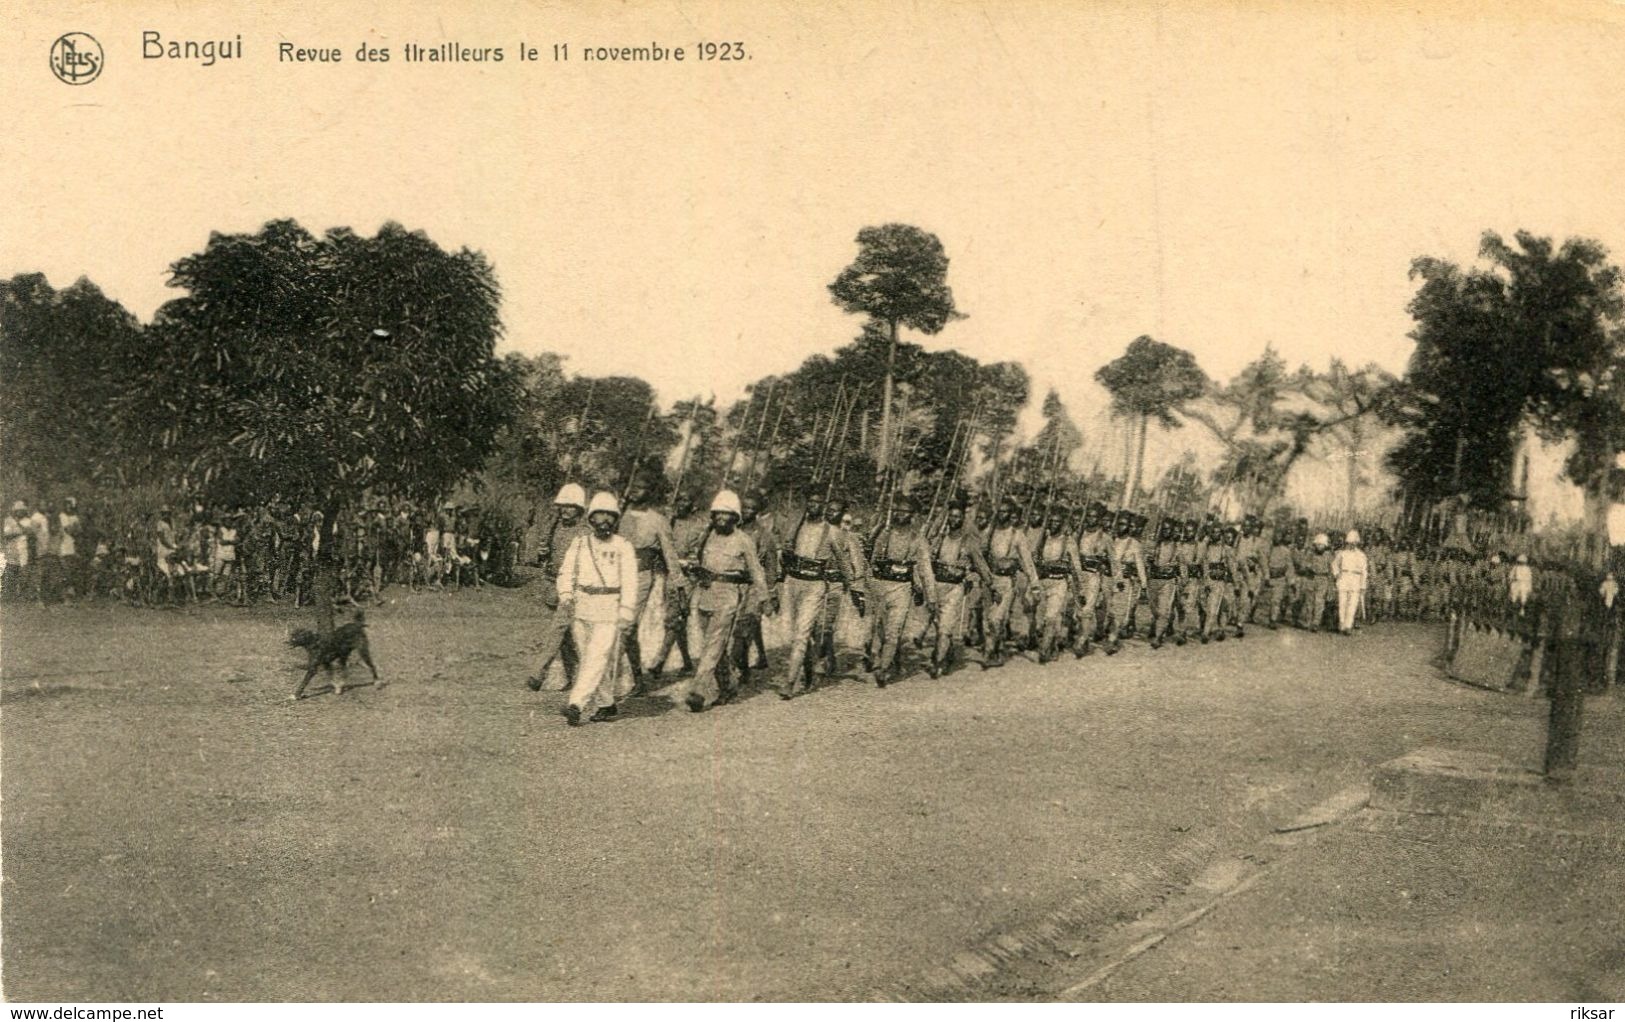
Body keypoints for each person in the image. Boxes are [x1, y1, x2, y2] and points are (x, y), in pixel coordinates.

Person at [677, 490, 770, 712]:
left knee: (714, 643)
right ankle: (728, 686)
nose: (721, 518)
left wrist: (764, 597)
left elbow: (756, 571)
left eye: (726, 514)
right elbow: (696, 559)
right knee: (713, 645)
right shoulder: (707, 535)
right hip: (706, 593)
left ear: (735, 517)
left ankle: (698, 691)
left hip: (729, 595)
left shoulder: (743, 540)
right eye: (717, 514)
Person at [556, 492, 639, 726]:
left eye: (609, 516)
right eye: (599, 515)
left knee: (597, 657)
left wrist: (626, 611)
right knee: (590, 659)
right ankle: (606, 704)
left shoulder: (623, 547)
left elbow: (631, 582)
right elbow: (566, 571)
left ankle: (576, 703)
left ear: (615, 519)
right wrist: (565, 594)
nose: (604, 520)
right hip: (582, 607)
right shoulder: (580, 543)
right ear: (590, 518)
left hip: (609, 610)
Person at [776, 491, 862, 699]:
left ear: (823, 506)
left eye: (818, 502)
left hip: (815, 585)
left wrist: (855, 588)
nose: (813, 506)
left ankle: (790, 682)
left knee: (803, 633)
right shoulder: (797, 527)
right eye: (810, 502)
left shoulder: (832, 532)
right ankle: (807, 670)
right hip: (793, 583)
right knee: (797, 633)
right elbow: (784, 554)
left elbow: (843, 562)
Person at [618, 481, 687, 691]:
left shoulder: (658, 521)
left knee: (626, 627)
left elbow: (670, 554)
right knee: (617, 629)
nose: (634, 489)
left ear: (650, 492)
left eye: (641, 486)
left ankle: (599, 678)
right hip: (612, 576)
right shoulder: (618, 515)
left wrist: (679, 584)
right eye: (632, 486)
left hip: (640, 576)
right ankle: (638, 679)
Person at [864, 495, 937, 687]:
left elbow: (925, 569)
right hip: (881, 586)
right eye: (898, 510)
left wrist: (931, 595)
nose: (901, 514)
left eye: (906, 511)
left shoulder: (918, 539)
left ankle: (883, 669)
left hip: (902, 589)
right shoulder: (884, 534)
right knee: (878, 628)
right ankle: (884, 657)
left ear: (912, 515)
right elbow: (871, 562)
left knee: (893, 630)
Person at [528, 483, 588, 692]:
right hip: (553, 582)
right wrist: (542, 553)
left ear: (579, 509)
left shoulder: (585, 532)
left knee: (558, 629)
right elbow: (545, 554)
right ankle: (576, 676)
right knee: (565, 636)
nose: (565, 510)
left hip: (573, 587)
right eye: (562, 506)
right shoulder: (555, 527)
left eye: (570, 507)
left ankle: (538, 672)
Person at [926, 502, 992, 677]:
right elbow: (927, 560)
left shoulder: (969, 543)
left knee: (945, 628)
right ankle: (946, 653)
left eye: (957, 517)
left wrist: (988, 582)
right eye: (952, 516)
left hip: (955, 589)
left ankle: (937, 663)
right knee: (938, 625)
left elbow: (981, 565)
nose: (954, 519)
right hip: (936, 587)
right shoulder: (940, 539)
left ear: (963, 519)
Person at [651, 494, 706, 681]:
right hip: (670, 575)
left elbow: (699, 554)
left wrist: (684, 562)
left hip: (687, 576)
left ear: (693, 506)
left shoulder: (699, 527)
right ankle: (687, 661)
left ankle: (660, 660)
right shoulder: (669, 522)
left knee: (673, 617)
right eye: (679, 501)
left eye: (686, 502)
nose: (681, 505)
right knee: (678, 617)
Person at [982, 499, 1039, 667]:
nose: (1002, 515)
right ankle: (995, 648)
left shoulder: (1017, 535)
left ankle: (991, 653)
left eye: (1006, 512)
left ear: (1011, 514)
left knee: (997, 618)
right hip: (990, 580)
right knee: (988, 619)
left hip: (1007, 582)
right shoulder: (989, 532)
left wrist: (1034, 584)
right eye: (999, 511)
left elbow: (1027, 561)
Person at [1030, 503, 1085, 663]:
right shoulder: (1043, 539)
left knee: (1051, 616)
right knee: (1041, 619)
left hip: (1059, 582)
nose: (1053, 524)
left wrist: (1079, 589)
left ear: (1062, 524)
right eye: (1051, 521)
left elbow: (1076, 566)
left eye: (1057, 522)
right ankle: (1052, 643)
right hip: (1043, 581)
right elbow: (1033, 559)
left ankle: (1044, 650)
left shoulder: (1068, 542)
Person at [1104, 509, 1148, 654]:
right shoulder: (1110, 540)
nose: (1120, 527)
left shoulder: (1134, 544)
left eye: (1124, 524)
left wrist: (1143, 584)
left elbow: (1140, 564)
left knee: (1119, 611)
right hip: (1108, 578)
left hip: (1124, 581)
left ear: (1129, 527)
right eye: (1119, 524)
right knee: (1105, 608)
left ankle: (1112, 639)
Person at [1329, 530, 1368, 635]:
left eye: (1354, 542)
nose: (1352, 544)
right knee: (1342, 603)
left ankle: (1348, 626)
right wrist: (1337, 574)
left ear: (1357, 542)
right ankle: (1341, 624)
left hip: (1356, 579)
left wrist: (1363, 585)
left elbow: (1364, 571)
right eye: (1349, 542)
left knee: (1353, 604)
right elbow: (1334, 565)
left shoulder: (1362, 555)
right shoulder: (1342, 553)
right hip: (1344, 578)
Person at [3, 501, 30, 601]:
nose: (20, 513)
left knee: (23, 574)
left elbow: (30, 533)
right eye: (18, 511)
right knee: (11, 572)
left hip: (23, 552)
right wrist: (20, 532)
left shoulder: (27, 520)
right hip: (12, 551)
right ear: (14, 511)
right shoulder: (9, 520)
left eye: (22, 511)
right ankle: (9, 596)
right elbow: (7, 534)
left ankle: (21, 595)